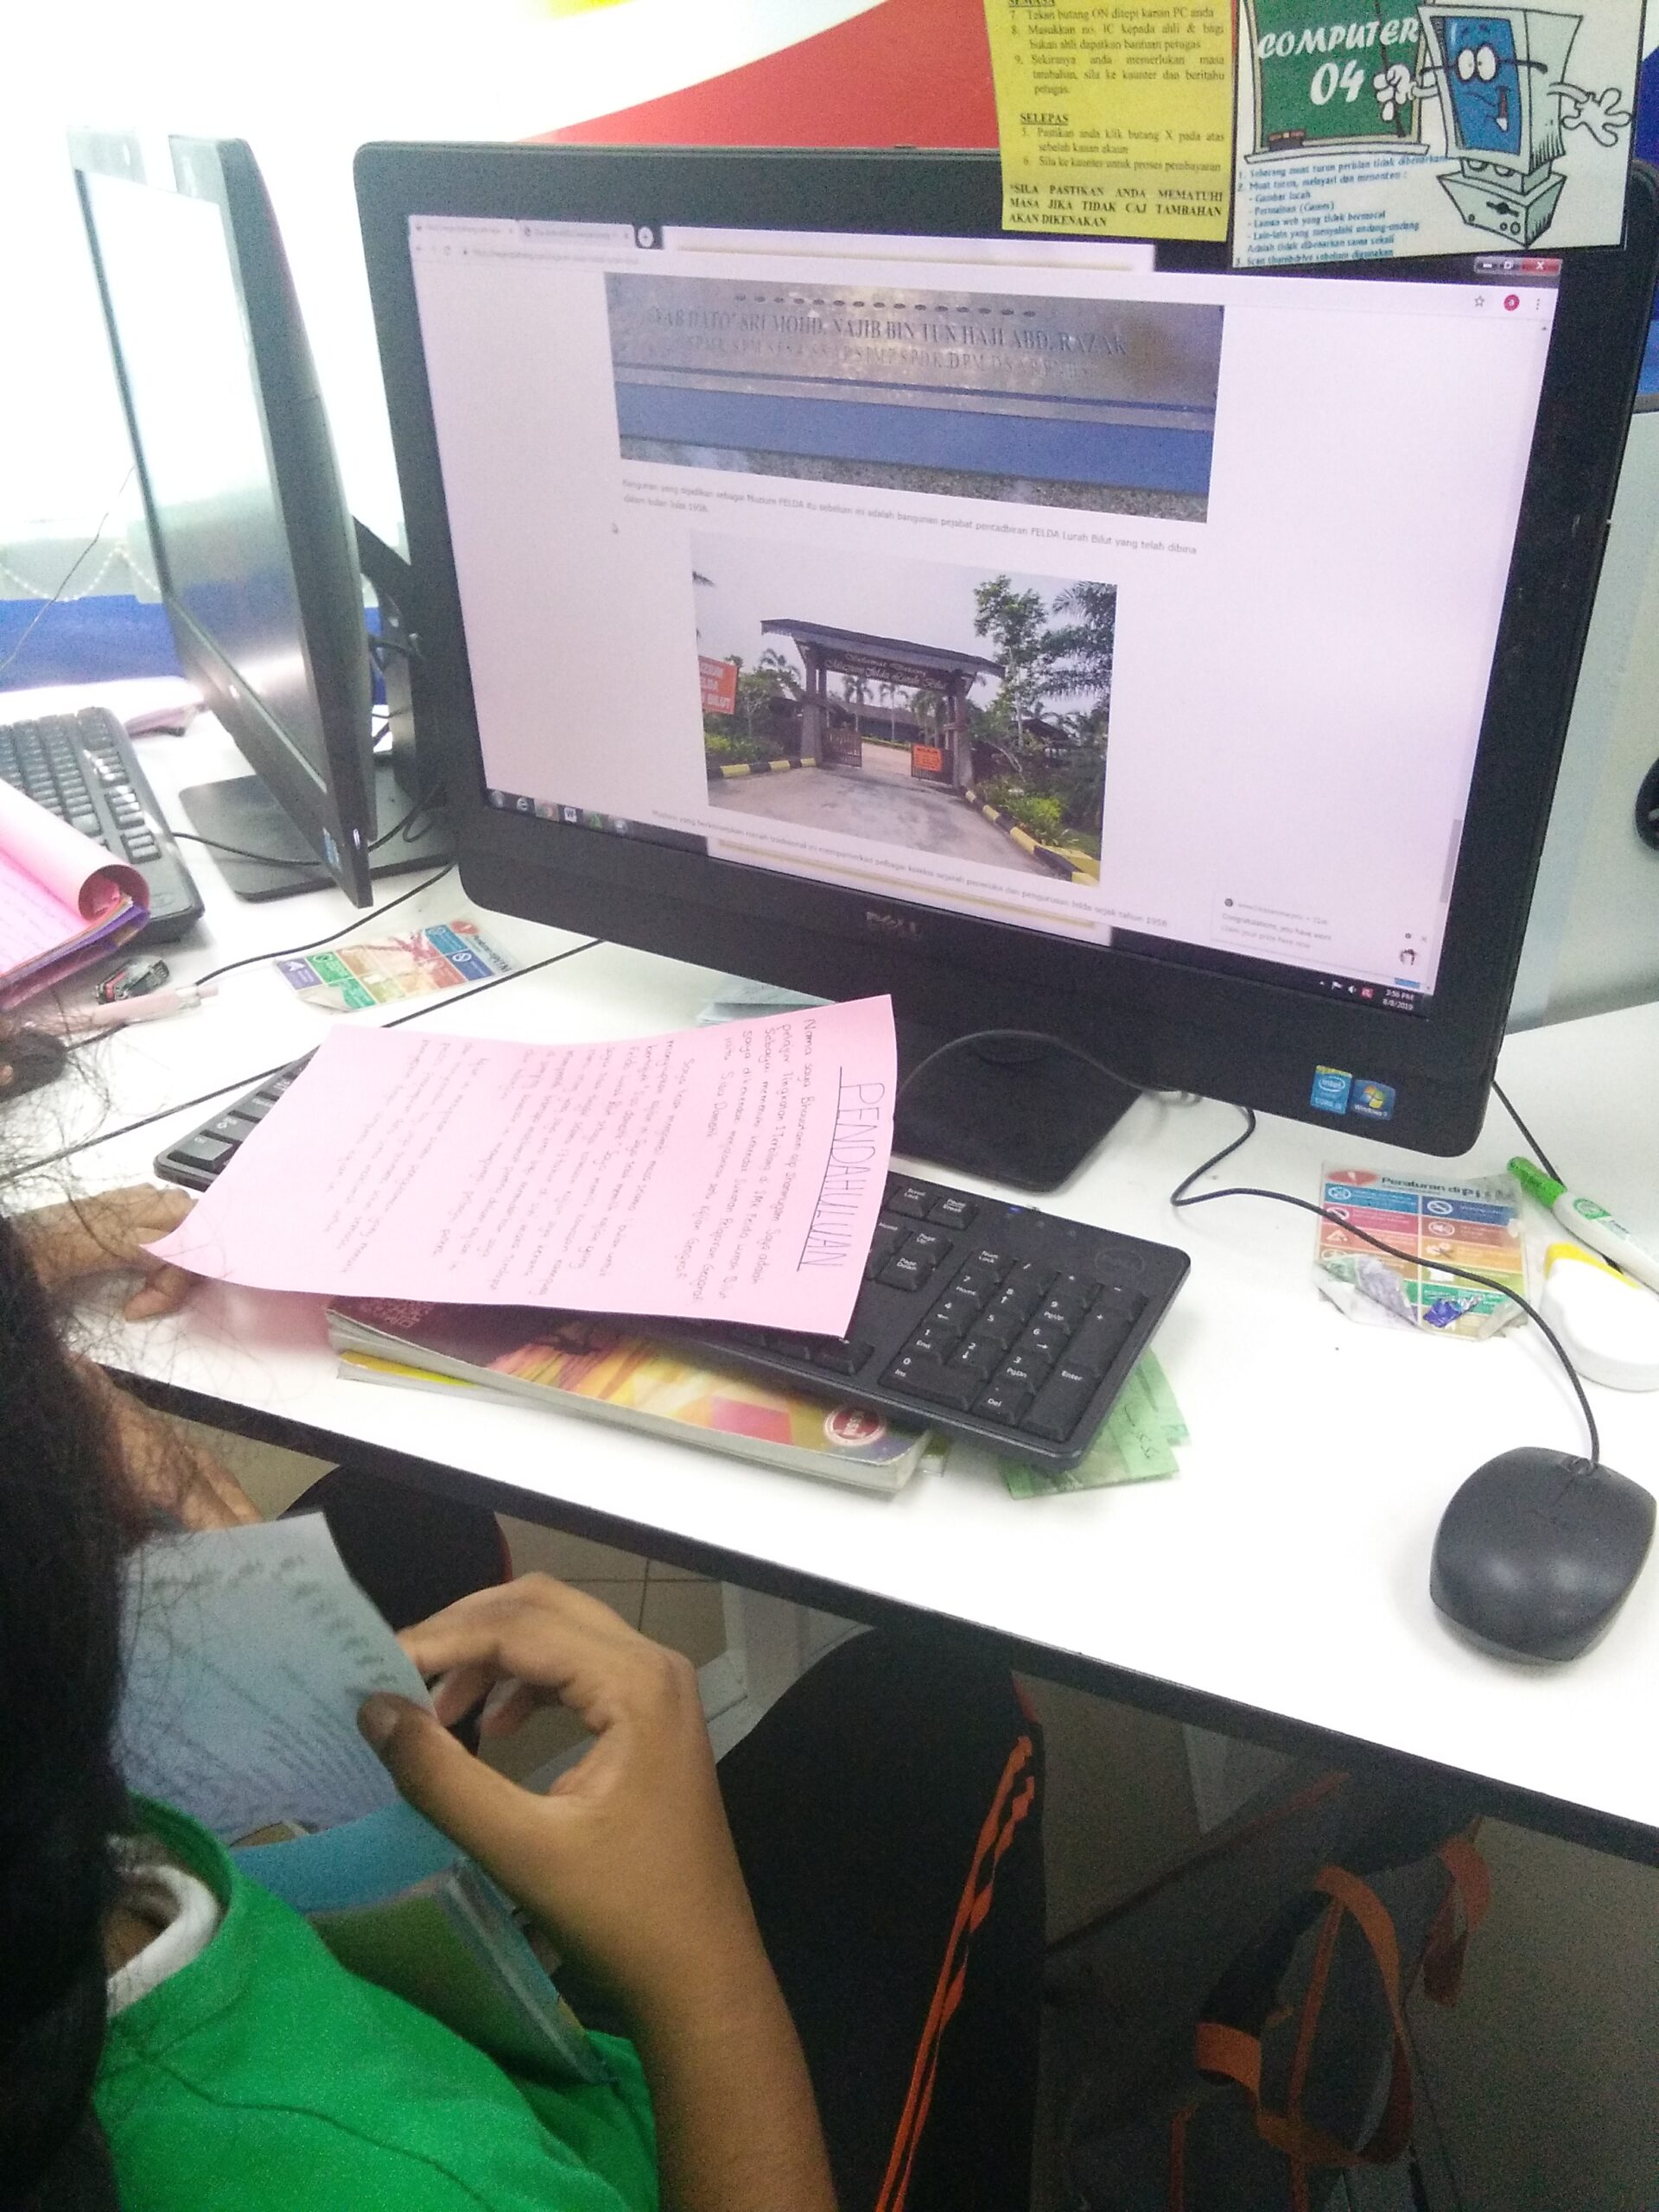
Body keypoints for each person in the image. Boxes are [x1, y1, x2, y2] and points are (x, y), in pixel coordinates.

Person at [2, 1185, 1044, 2211]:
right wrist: (699, 1979)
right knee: (929, 1717)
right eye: (50, 1385)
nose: (86, 1387)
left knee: (406, 1525)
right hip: (599, 2140)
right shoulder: (403, 2179)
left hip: (319, 1993)